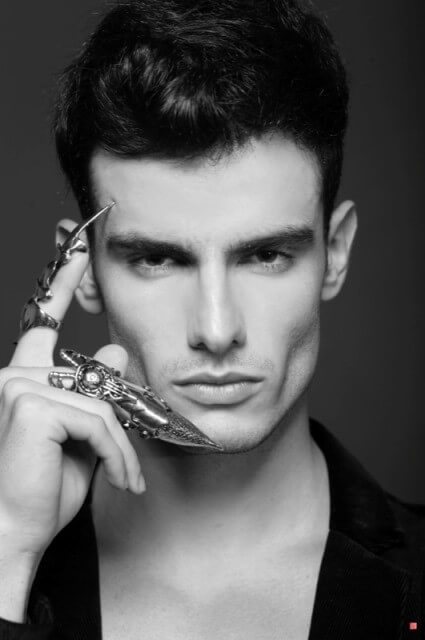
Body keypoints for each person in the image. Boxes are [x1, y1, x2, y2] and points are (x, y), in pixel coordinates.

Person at [0, 0, 424, 638]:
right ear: (81, 271)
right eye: (158, 259)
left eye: (266, 254)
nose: (218, 330)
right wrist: (8, 550)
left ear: (335, 253)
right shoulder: (9, 559)